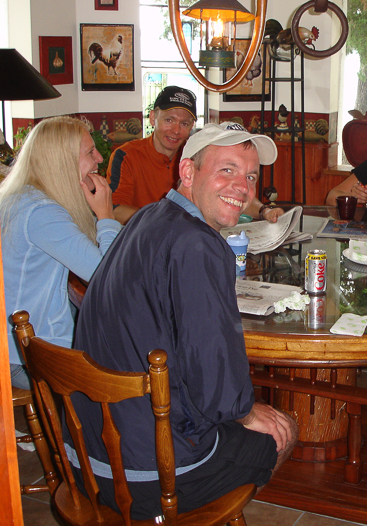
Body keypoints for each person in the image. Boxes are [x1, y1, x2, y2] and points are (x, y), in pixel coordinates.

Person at [71, 122, 298, 520]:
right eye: (226, 170)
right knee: (284, 429)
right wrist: (245, 411)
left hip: (84, 454)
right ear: (188, 172)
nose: (241, 187)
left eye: (249, 176)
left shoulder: (146, 218)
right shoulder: (199, 246)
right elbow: (219, 389)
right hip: (148, 476)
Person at [0, 116, 122, 390]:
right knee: (130, 370)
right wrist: (105, 213)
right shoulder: (41, 212)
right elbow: (107, 277)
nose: (100, 159)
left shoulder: (22, 197)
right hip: (28, 358)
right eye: (90, 152)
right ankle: (75, 434)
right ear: (63, 160)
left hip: (8, 347)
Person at [108, 85, 282, 224]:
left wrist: (264, 211)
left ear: (192, 126)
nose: (176, 130)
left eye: (184, 123)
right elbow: (115, 209)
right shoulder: (126, 155)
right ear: (153, 118)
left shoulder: (198, 155)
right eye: (169, 120)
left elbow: (234, 193)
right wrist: (162, 221)